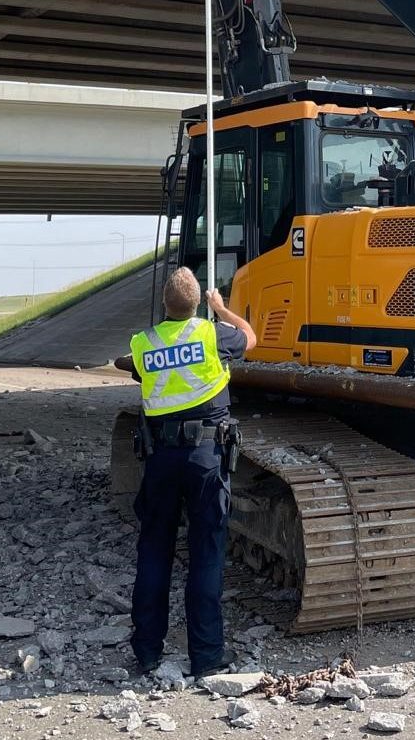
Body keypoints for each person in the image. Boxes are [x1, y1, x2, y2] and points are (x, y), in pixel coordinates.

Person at [120, 266, 257, 677]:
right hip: (205, 458)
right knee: (207, 553)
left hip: (160, 457)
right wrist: (223, 308)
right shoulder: (212, 334)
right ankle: (206, 655)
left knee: (155, 550)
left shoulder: (144, 343)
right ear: (198, 302)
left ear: (165, 303)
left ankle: (146, 651)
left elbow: (137, 369)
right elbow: (251, 337)